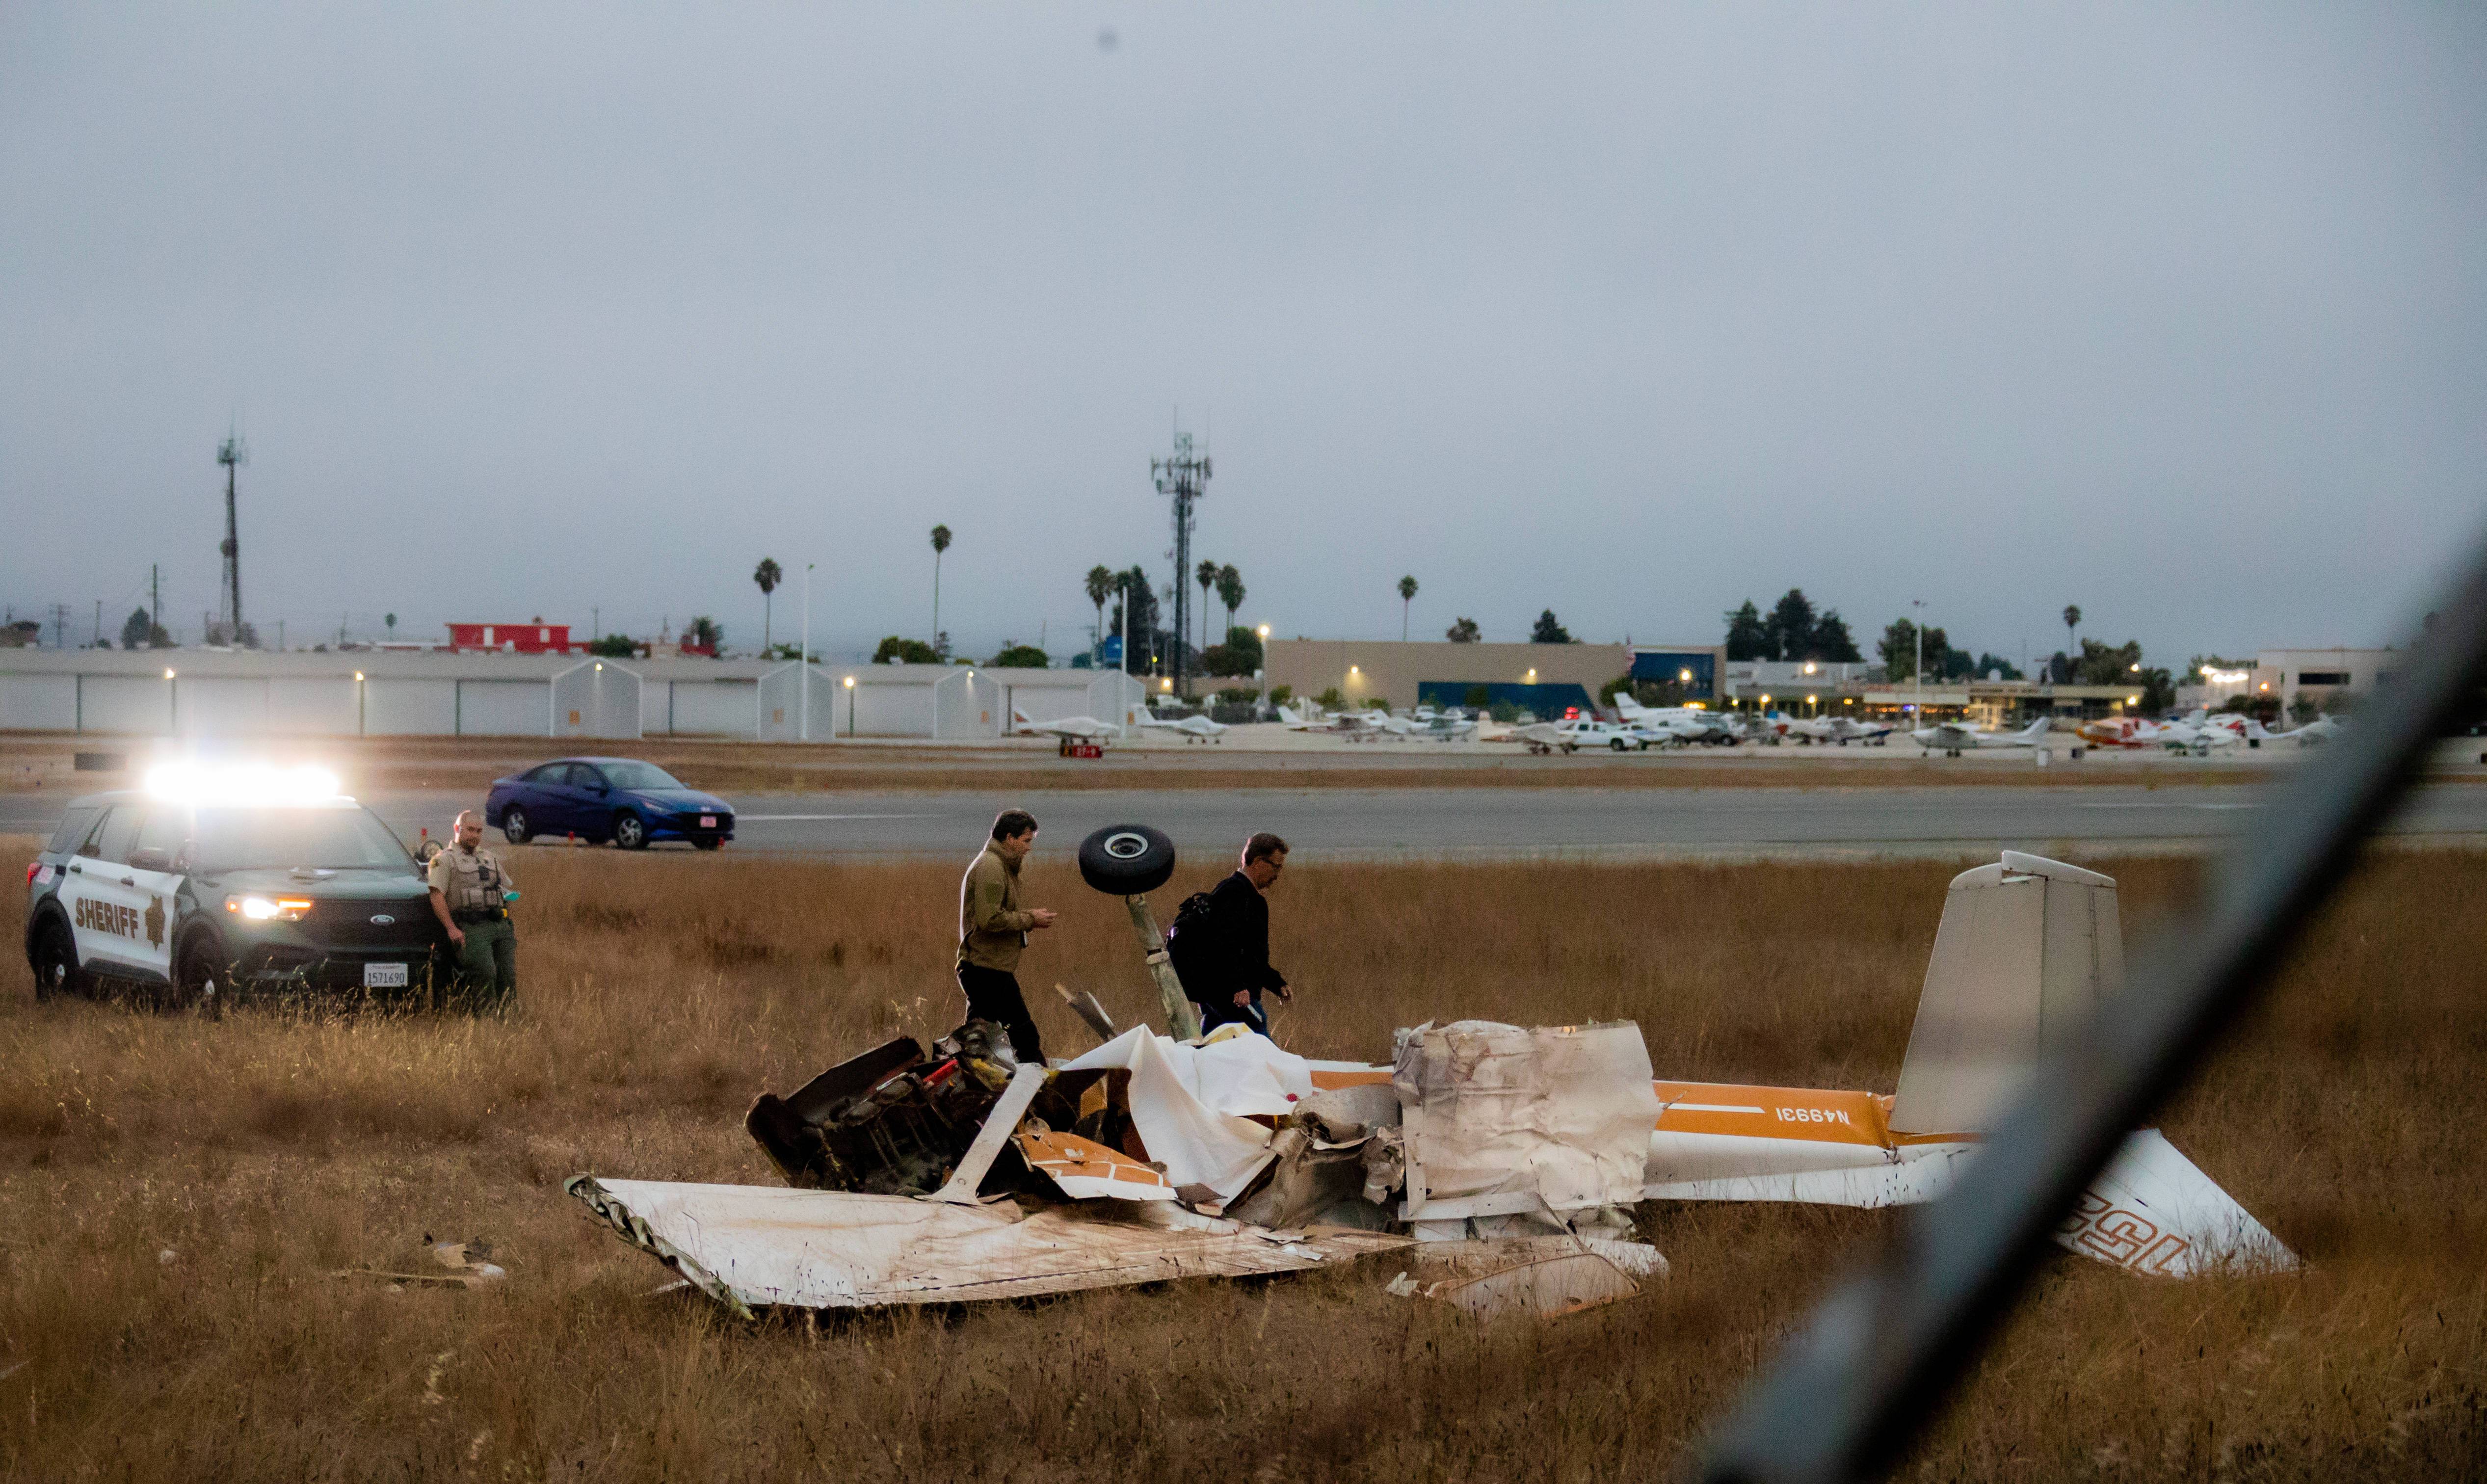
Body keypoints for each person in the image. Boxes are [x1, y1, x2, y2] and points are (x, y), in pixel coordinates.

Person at [956, 808, 1059, 1063]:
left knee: (979, 1042)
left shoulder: (1002, 865)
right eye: (1026, 841)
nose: (1029, 848)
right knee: (1024, 1038)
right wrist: (1029, 920)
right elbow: (989, 919)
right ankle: (1040, 1091)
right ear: (1010, 838)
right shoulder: (992, 867)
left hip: (991, 967)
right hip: (985, 969)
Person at [1190, 832, 1293, 1036]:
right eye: (1276, 867)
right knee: (1260, 1045)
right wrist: (1237, 986)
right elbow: (1223, 943)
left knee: (1213, 1044)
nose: (1278, 874)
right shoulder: (1235, 893)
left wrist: (1276, 983)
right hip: (1234, 995)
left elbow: (1252, 955)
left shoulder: (1247, 895)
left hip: (1222, 994)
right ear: (1259, 862)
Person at [426, 809, 516, 1010]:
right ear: (457, 829)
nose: (475, 835)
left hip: (499, 925)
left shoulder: (489, 858)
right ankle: (485, 1020)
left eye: (479, 831)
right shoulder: (443, 860)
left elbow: (506, 890)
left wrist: (509, 915)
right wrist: (451, 928)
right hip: (471, 927)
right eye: (470, 830)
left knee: (507, 975)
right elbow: (436, 895)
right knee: (485, 972)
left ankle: (509, 1020)